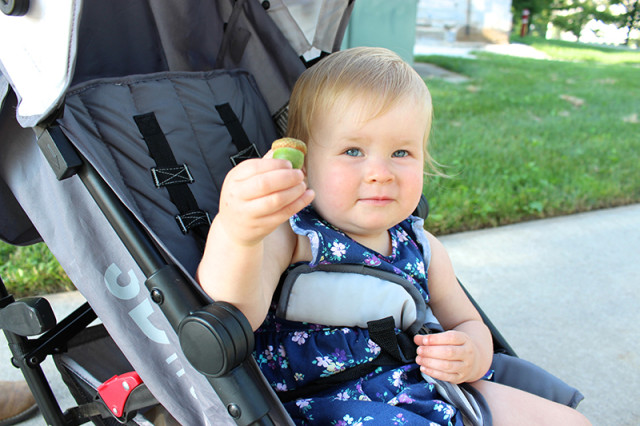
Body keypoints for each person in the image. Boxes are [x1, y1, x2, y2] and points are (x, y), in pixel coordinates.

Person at [196, 47, 590, 425]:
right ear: (306, 162)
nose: (381, 172)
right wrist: (238, 232)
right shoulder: (295, 236)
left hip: (420, 386)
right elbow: (236, 310)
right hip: (331, 403)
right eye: (353, 151)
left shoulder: (421, 246)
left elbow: (468, 321)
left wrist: (472, 350)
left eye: (401, 153)